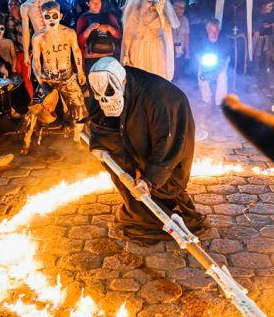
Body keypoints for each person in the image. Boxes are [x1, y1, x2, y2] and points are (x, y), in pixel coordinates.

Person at [87, 57, 209, 244]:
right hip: (137, 128)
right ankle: (140, 213)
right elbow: (101, 113)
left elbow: (167, 145)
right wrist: (99, 143)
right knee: (120, 167)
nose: (105, 99)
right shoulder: (105, 85)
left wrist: (148, 180)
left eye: (110, 93)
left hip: (169, 128)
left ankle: (165, 212)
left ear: (123, 81)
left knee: (164, 179)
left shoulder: (160, 99)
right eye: (100, 95)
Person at [30, 1, 88, 144]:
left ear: (60, 15)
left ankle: (77, 139)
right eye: (47, 16)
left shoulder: (69, 32)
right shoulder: (38, 37)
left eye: (54, 15)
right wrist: (39, 79)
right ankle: (27, 139)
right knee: (34, 109)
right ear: (43, 17)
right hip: (48, 78)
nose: (51, 19)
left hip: (68, 77)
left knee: (79, 108)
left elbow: (76, 52)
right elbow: (36, 59)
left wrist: (80, 72)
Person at [121, 0, 179, 81]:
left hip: (155, 48)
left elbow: (166, 29)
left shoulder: (160, 9)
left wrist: (161, 13)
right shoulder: (134, 10)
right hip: (138, 47)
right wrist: (125, 53)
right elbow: (128, 33)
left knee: (155, 77)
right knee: (139, 77)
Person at [213, 0, 254, 75]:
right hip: (225, 35)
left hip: (241, 37)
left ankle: (239, 83)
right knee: (223, 59)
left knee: (240, 59)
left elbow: (253, 16)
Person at [75, 0, 122, 73]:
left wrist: (109, 28)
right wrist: (89, 29)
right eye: (92, 2)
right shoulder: (83, 18)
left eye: (98, 1)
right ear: (87, 3)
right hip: (91, 59)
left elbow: (119, 35)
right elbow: (79, 42)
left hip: (109, 58)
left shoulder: (109, 16)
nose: (96, 4)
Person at [197, 18, 232, 107]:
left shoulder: (224, 40)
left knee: (222, 76)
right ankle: (206, 98)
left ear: (219, 31)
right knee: (201, 74)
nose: (214, 33)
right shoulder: (202, 39)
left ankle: (220, 102)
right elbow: (198, 54)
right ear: (207, 30)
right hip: (207, 61)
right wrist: (204, 68)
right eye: (211, 31)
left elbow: (223, 59)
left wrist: (216, 72)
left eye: (216, 31)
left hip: (222, 61)